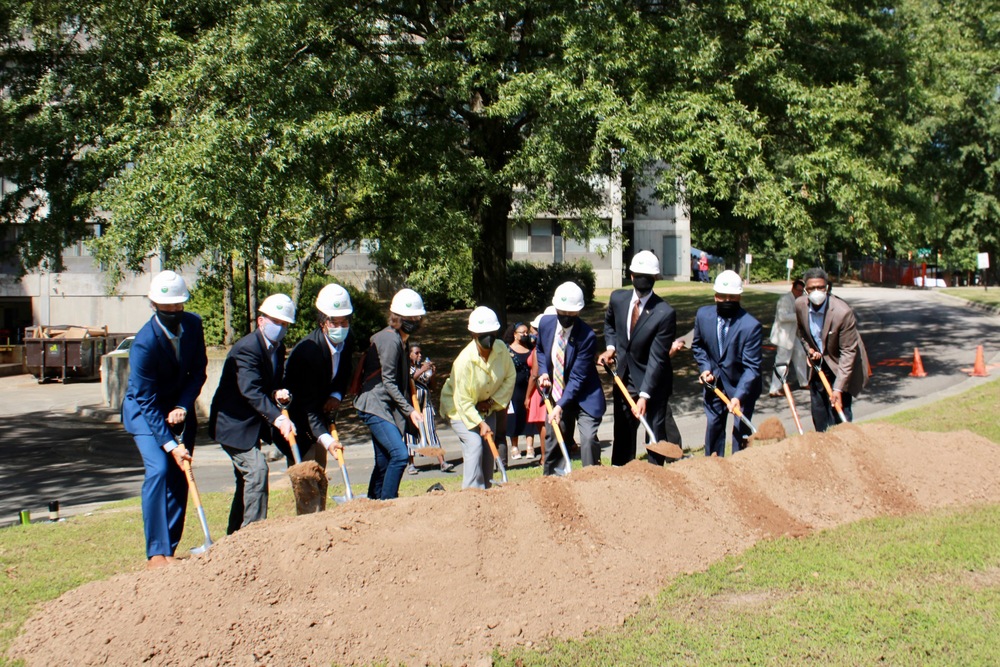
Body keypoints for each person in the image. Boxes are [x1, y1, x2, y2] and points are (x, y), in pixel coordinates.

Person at [122, 270, 208, 569]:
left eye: (178, 307)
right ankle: (155, 553)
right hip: (146, 414)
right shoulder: (145, 343)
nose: (173, 313)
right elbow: (145, 398)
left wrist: (183, 406)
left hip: (178, 409)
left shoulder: (194, 326)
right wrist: (170, 444)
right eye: (166, 309)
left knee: (179, 475)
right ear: (154, 305)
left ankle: (169, 547)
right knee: (159, 469)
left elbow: (198, 371)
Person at [210, 293, 297, 534]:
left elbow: (267, 385)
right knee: (257, 470)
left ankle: (234, 535)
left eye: (285, 324)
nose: (280, 328)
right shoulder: (246, 349)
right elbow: (250, 390)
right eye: (276, 322)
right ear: (261, 321)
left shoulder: (277, 349)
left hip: (252, 424)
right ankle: (254, 536)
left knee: (246, 481)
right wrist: (278, 417)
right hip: (232, 424)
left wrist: (277, 393)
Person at [597, 250, 683, 466]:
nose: (643, 281)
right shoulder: (618, 299)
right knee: (623, 434)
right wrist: (610, 348)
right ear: (632, 275)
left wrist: (644, 395)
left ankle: (655, 475)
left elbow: (658, 358)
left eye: (649, 277)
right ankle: (622, 474)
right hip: (624, 378)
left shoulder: (664, 312)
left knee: (654, 432)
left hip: (653, 383)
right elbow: (610, 325)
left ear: (655, 279)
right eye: (639, 275)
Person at [354, 288, 426, 500]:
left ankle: (373, 501)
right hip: (374, 405)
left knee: (385, 460)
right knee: (400, 455)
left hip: (384, 406)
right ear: (396, 317)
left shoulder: (402, 342)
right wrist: (410, 410)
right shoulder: (390, 340)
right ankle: (388, 504)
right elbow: (389, 382)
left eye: (416, 317)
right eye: (408, 317)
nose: (413, 320)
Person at [440, 306, 516, 489]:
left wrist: (491, 403)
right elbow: (463, 400)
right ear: (473, 334)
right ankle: (471, 492)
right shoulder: (464, 361)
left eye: (491, 332)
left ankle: (487, 491)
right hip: (459, 408)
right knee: (475, 445)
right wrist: (480, 423)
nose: (488, 337)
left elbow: (510, 377)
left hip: (487, 405)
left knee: (489, 451)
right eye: (482, 334)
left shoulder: (501, 350)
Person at [536, 282, 606, 473]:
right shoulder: (545, 324)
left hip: (585, 395)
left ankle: (591, 478)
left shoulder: (587, 336)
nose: (566, 317)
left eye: (571, 313)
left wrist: (560, 406)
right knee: (554, 438)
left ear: (579, 311)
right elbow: (540, 350)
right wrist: (543, 372)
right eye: (563, 312)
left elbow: (577, 378)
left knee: (589, 438)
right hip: (558, 393)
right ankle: (552, 482)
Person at [691, 270, 763, 456]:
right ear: (715, 296)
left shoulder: (750, 326)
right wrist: (705, 369)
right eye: (722, 296)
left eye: (732, 297)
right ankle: (714, 466)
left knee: (741, 431)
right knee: (714, 426)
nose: (726, 301)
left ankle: (739, 467)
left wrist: (738, 396)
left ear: (739, 297)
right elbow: (699, 347)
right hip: (714, 384)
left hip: (742, 386)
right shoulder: (703, 316)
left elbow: (751, 368)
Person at [283, 283, 354, 469]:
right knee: (306, 479)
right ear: (323, 323)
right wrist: (326, 439)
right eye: (334, 323)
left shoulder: (347, 339)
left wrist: (336, 395)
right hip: (299, 422)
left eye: (344, 322)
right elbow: (307, 404)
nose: (340, 327)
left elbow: (344, 370)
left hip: (320, 416)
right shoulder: (307, 353)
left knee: (320, 475)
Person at [795, 267, 870, 431]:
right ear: (805, 290)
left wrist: (838, 389)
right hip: (819, 365)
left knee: (840, 416)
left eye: (820, 287)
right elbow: (801, 332)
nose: (816, 291)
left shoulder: (842, 312)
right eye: (811, 288)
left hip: (842, 366)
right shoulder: (800, 305)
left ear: (827, 287)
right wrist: (809, 350)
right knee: (819, 414)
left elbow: (848, 352)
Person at [405, 341, 454, 473]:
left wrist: (433, 374)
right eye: (416, 353)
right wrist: (422, 370)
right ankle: (411, 464)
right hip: (411, 406)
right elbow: (408, 380)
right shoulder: (405, 368)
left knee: (431, 431)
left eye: (420, 353)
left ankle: (442, 462)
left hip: (426, 405)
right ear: (409, 354)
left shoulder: (422, 367)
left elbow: (432, 387)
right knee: (411, 434)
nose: (419, 355)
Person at [768, 279, 808, 396]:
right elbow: (783, 317)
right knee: (782, 362)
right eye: (798, 290)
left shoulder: (800, 299)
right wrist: (799, 316)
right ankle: (774, 389)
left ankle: (803, 382)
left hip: (792, 335)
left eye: (802, 291)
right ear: (793, 288)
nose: (800, 293)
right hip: (783, 336)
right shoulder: (785, 300)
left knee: (801, 354)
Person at [503, 321, 533, 460]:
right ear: (515, 334)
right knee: (514, 417)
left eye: (527, 332)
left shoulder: (531, 348)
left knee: (529, 416)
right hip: (513, 389)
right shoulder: (507, 350)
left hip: (529, 387)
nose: (526, 335)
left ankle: (530, 446)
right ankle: (514, 447)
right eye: (523, 333)